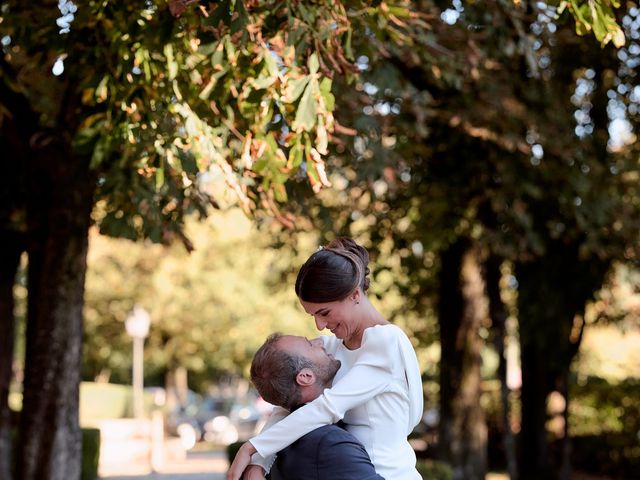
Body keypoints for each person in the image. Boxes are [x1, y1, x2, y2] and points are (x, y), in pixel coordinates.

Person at [227, 238, 423, 480]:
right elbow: (288, 406)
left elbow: (328, 407)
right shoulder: (331, 348)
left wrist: (253, 447)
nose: (319, 325)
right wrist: (259, 462)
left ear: (354, 294)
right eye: (313, 315)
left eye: (324, 313)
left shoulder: (386, 342)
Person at [249, 332, 383, 480]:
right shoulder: (331, 443)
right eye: (310, 345)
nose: (320, 343)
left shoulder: (281, 442)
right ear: (306, 377)